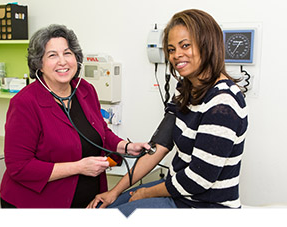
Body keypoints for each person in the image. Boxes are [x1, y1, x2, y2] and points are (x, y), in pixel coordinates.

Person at [88, 9, 248, 216]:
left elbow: (197, 179)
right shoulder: (186, 88)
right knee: (108, 207)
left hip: (203, 207)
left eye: (185, 46)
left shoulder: (223, 103)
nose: (176, 55)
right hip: (178, 195)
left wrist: (146, 193)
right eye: (171, 49)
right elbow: (160, 146)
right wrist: (114, 191)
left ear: (208, 45)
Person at [0, 24, 150, 208]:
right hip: (36, 204)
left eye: (67, 53)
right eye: (52, 55)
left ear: (76, 58)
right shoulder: (25, 103)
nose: (62, 61)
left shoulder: (85, 89)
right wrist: (78, 167)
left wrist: (125, 147)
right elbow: (19, 167)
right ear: (39, 63)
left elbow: (100, 132)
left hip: (86, 200)